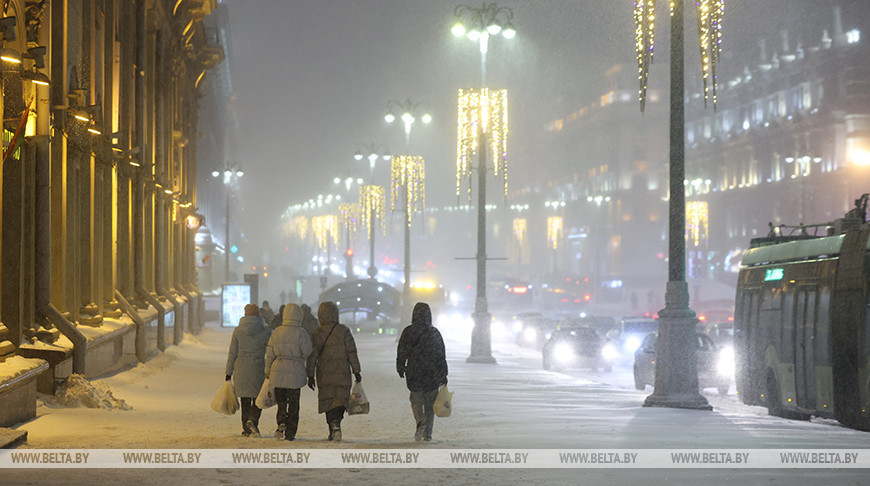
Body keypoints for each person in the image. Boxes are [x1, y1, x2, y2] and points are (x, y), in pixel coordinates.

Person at [306, 301, 361, 442]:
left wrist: (310, 374)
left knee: (328, 400)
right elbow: (351, 352)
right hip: (342, 372)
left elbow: (313, 355)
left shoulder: (317, 333)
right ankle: (336, 422)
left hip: (324, 373)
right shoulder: (343, 331)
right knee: (340, 399)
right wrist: (356, 370)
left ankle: (332, 425)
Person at [396, 302, 448, 442]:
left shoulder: (408, 332)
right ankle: (428, 434)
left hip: (415, 371)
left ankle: (420, 420)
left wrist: (400, 366)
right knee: (430, 404)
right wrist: (444, 373)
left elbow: (402, 351)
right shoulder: (434, 333)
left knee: (416, 400)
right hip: (432, 373)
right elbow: (441, 355)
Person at [264, 303, 313, 441]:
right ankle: (291, 432)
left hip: (278, 371)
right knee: (293, 404)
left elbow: (270, 353)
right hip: (295, 373)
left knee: (281, 402)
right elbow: (308, 351)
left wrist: (267, 370)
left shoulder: (277, 332)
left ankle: (281, 423)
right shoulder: (301, 333)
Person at [225, 303, 272, 437]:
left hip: (241, 369)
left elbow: (232, 353)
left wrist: (229, 372)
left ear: (245, 314)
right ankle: (253, 420)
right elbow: (271, 351)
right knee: (259, 399)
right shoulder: (266, 331)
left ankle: (246, 429)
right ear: (258, 314)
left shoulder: (238, 331)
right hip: (258, 368)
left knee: (245, 400)